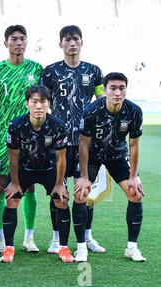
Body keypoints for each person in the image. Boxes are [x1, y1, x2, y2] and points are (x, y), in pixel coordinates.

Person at [0, 25, 43, 253]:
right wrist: (0, 107)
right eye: (14, 39)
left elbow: (41, 99)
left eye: (22, 39)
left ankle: (29, 237)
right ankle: (1, 237)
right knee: (2, 185)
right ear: (6, 43)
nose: (18, 43)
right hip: (5, 134)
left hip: (31, 136)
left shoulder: (36, 68)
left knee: (30, 186)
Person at [41, 25, 106, 255]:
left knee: (84, 189)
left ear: (81, 42)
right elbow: (42, 104)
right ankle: (56, 237)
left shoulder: (94, 71)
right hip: (57, 142)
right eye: (67, 40)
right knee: (57, 189)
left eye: (75, 39)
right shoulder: (49, 72)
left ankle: (87, 235)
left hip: (84, 142)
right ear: (60, 44)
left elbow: (102, 101)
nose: (72, 43)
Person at [75, 72, 146, 262]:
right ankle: (81, 247)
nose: (117, 92)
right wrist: (82, 176)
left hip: (117, 155)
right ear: (105, 90)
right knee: (81, 194)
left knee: (135, 193)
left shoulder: (134, 111)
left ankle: (132, 248)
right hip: (92, 155)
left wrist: (133, 176)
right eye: (113, 88)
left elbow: (134, 145)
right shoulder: (91, 110)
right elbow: (83, 144)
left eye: (121, 88)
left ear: (126, 90)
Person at [4, 85, 75, 263]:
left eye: (43, 101)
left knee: (62, 199)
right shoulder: (16, 125)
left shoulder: (58, 126)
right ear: (27, 103)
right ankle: (8, 248)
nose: (38, 106)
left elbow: (61, 158)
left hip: (49, 168)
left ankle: (63, 248)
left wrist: (59, 184)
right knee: (12, 199)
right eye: (34, 102)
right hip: (24, 168)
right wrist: (14, 182)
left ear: (48, 104)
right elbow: (13, 156)